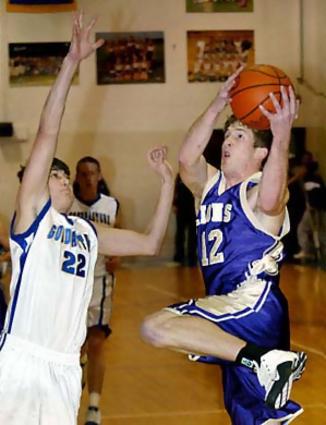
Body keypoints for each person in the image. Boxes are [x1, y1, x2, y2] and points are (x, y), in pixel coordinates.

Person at [0, 12, 174, 425]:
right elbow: (47, 131)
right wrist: (71, 63)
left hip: (64, 367)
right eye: (54, 174)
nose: (61, 179)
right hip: (23, 358)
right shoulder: (32, 219)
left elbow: (149, 243)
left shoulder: (87, 230)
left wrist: (168, 184)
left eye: (63, 174)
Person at [141, 68, 307, 424]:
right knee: (252, 419)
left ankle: (264, 361)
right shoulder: (210, 188)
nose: (227, 142)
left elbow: (271, 201)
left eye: (239, 135)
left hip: (253, 307)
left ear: (260, 152)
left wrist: (281, 138)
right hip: (229, 319)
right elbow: (187, 159)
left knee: (157, 326)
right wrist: (218, 103)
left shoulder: (258, 189)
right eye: (227, 135)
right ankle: (263, 362)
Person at [70, 156, 120, 425]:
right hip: (71, 285)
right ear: (76, 177)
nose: (88, 178)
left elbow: (119, 238)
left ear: (100, 175)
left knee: (97, 342)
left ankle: (94, 408)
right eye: (83, 173)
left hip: (100, 281)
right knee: (75, 345)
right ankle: (74, 379)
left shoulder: (111, 206)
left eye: (92, 173)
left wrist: (117, 257)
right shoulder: (67, 206)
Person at [173, 173, 197, 266]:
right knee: (180, 233)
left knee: (192, 235)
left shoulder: (196, 175)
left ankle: (191, 257)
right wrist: (174, 204)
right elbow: (175, 191)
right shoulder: (180, 175)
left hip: (193, 208)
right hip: (181, 208)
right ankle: (179, 256)